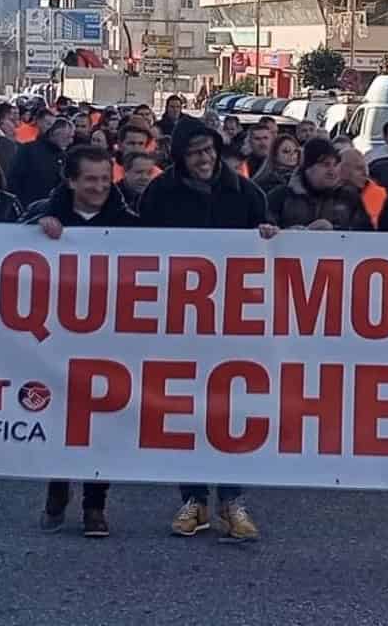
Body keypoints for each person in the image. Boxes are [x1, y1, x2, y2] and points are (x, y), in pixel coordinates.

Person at [136, 116, 275, 541]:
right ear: (180, 157)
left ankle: (231, 500)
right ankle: (194, 499)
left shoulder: (246, 193)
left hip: (234, 319)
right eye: (195, 152)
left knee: (231, 410)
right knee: (186, 409)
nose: (205, 158)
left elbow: (266, 241)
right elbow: (137, 250)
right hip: (180, 318)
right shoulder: (160, 194)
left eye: (209, 150)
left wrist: (270, 236)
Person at [29, 145, 140, 538]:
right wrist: (39, 226)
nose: (98, 187)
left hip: (109, 340)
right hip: (58, 340)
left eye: (104, 179)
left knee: (102, 423)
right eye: (90, 179)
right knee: (60, 418)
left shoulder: (130, 225)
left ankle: (96, 505)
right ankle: (57, 492)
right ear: (72, 181)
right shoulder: (43, 216)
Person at [266, 138, 371, 231]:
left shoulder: (349, 197)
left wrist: (335, 230)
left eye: (335, 165)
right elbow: (263, 231)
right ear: (308, 167)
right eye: (326, 165)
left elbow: (365, 234)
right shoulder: (281, 197)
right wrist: (296, 232)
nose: (332, 171)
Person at [7, 111, 72, 204]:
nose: (70, 141)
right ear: (55, 134)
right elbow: (14, 178)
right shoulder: (28, 150)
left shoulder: (64, 156)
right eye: (67, 137)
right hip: (28, 207)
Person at [338, 147, 388, 227]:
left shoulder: (382, 196)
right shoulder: (328, 195)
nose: (365, 174)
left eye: (365, 168)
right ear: (342, 170)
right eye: (359, 168)